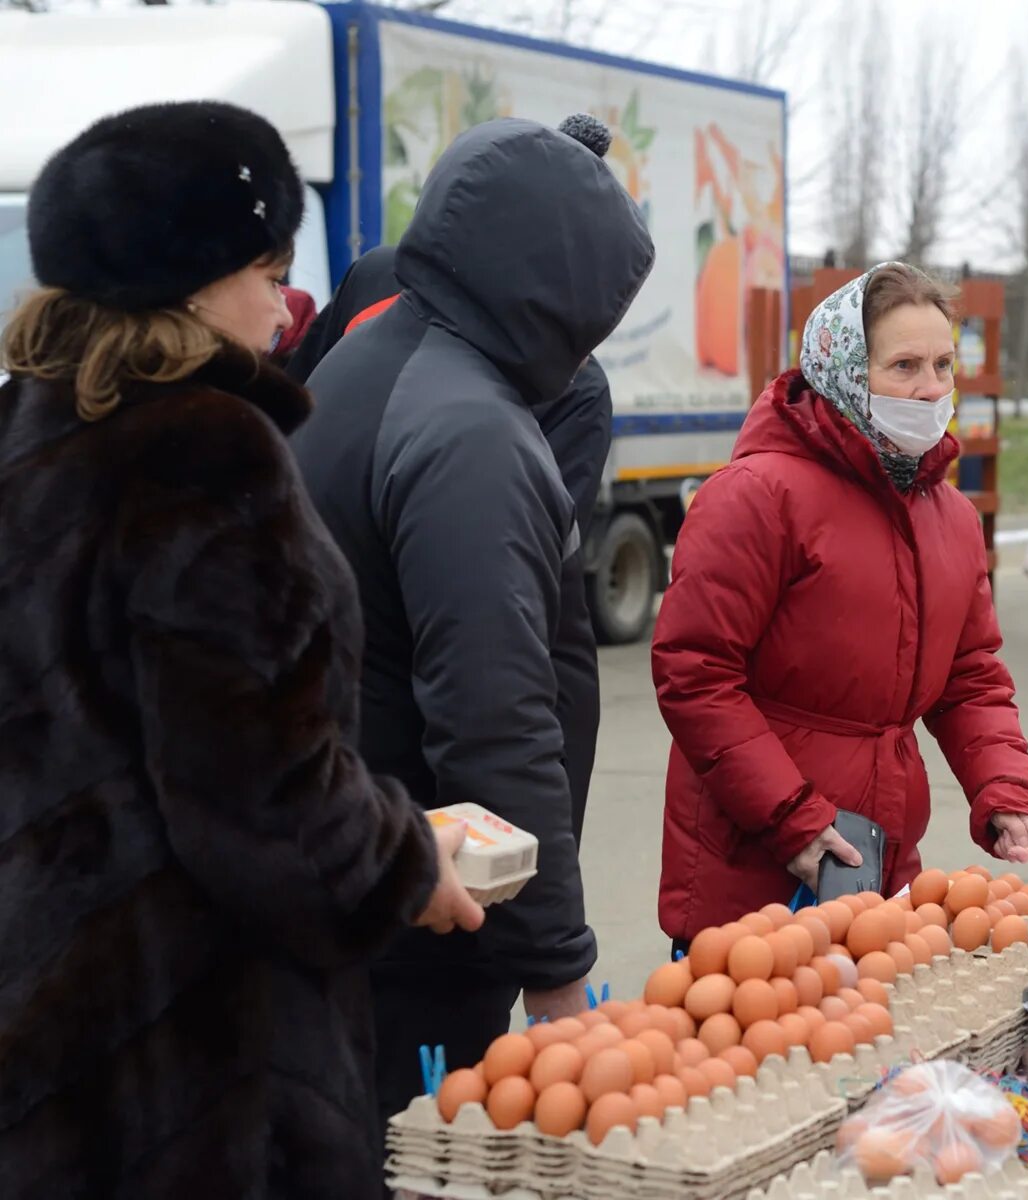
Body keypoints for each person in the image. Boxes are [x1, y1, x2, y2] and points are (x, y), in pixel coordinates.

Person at [0, 101, 483, 1199]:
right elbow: (264, 799)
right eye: (268, 271)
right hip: (200, 1066)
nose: (286, 304)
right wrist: (409, 864)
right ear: (196, 279)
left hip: (50, 1036)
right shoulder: (209, 458)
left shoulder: (25, 434)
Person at [291, 115, 654, 1125]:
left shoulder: (384, 360)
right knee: (407, 1146)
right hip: (426, 908)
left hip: (362, 860)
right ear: (561, 285)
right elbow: (494, 714)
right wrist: (553, 964)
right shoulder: (469, 429)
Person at [652, 262, 1028, 942]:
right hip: (751, 869)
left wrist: (1005, 785)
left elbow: (970, 675)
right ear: (842, 372)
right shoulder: (756, 497)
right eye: (903, 366)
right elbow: (696, 675)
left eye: (943, 364)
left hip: (879, 861)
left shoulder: (947, 514)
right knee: (752, 1042)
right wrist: (795, 821)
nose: (930, 389)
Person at [287, 222, 614, 840]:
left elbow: (536, 563)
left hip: (369, 674)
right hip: (390, 688)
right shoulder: (382, 282)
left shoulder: (573, 380)